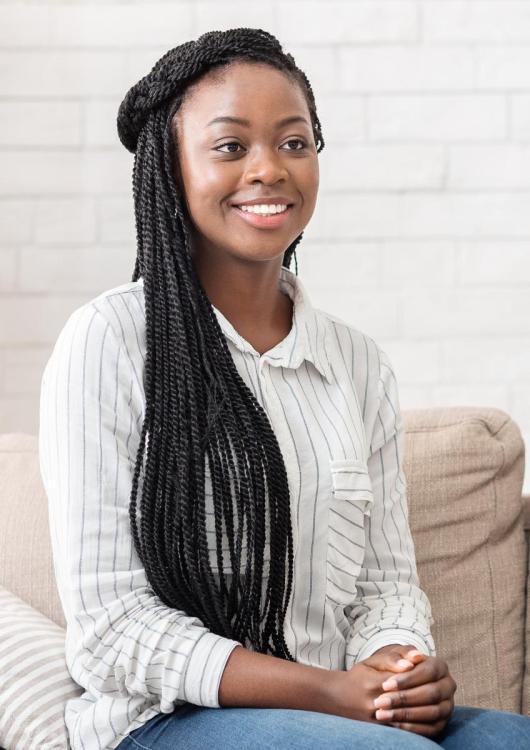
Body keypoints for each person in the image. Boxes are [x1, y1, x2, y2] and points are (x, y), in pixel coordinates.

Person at [38, 27, 530, 750]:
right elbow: (111, 629)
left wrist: (397, 670)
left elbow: (384, 584)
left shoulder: (357, 365)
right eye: (231, 147)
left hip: (338, 712)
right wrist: (330, 691)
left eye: (294, 143)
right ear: (170, 170)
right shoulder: (109, 342)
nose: (269, 169)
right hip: (161, 722)